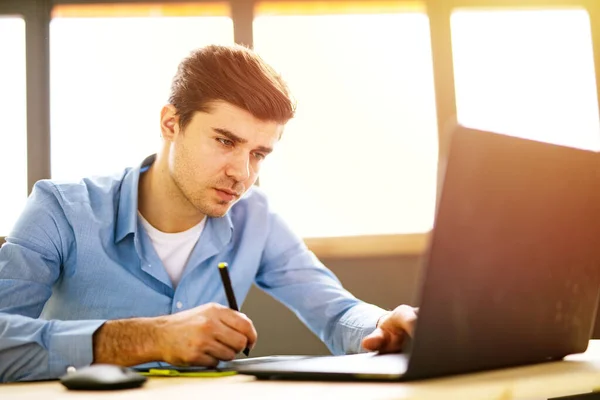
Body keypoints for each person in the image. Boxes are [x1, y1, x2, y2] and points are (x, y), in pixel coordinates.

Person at [0, 44, 418, 382]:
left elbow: (337, 312)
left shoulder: (257, 217)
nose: (242, 173)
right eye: (224, 141)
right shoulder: (60, 211)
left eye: (258, 153)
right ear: (170, 123)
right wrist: (143, 338)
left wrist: (384, 324)